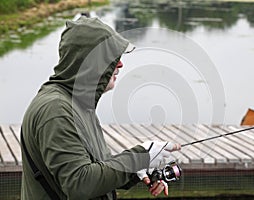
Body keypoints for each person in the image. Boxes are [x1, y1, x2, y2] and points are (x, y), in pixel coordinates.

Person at [21, 16, 181, 200]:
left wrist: (137, 169)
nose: (120, 64)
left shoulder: (79, 105)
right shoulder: (55, 110)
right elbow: (80, 183)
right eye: (112, 59)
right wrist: (139, 157)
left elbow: (98, 172)